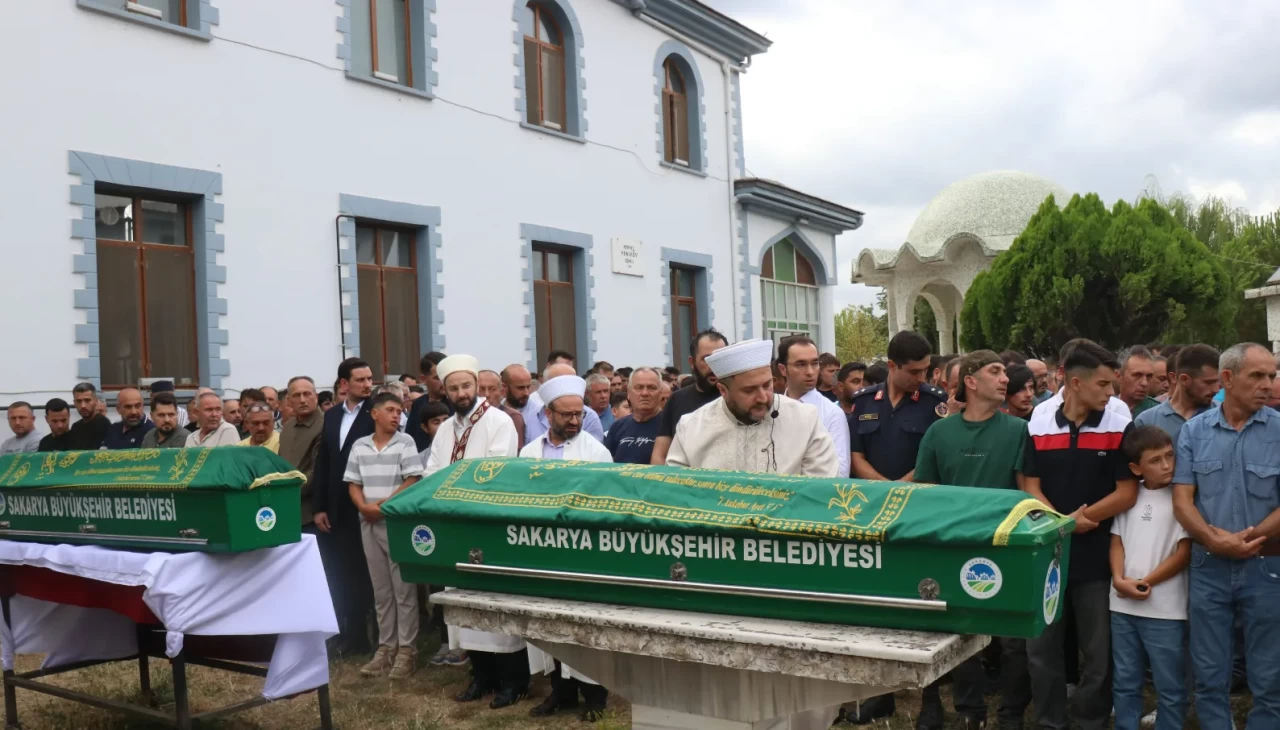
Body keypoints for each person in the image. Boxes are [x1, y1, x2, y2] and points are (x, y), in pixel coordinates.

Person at [913, 350, 1032, 730]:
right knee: (962, 632)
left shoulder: (1018, 430)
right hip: (955, 547)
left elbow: (1026, 490)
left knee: (1013, 638)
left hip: (1006, 546)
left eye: (1005, 372)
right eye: (995, 371)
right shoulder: (939, 433)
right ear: (970, 381)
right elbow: (925, 492)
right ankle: (970, 713)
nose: (1005, 379)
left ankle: (1011, 715)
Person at [1023, 339, 1137, 730]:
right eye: (1103, 384)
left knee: (1098, 651)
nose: (1110, 392)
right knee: (1042, 648)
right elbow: (1029, 485)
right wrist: (1063, 522)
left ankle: (1091, 720)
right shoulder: (1038, 422)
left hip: (1097, 557)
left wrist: (1080, 519)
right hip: (1046, 557)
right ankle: (1049, 721)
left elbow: (1127, 491)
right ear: (1075, 382)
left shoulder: (1119, 424)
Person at [1173, 342, 1280, 729]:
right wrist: (1213, 540)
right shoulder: (1193, 432)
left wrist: (1246, 539)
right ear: (1228, 379)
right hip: (1209, 567)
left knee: (1270, 675)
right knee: (1209, 673)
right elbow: (1182, 501)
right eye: (1258, 375)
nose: (1268, 384)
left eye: (1271, 375)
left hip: (1266, 566)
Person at [420, 355, 526, 709]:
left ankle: (513, 681)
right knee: (464, 600)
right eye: (453, 388)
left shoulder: (499, 422)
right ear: (445, 391)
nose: (461, 393)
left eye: (466, 386)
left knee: (496, 602)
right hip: (454, 524)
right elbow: (432, 471)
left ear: (476, 386)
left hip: (488, 523)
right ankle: (481, 676)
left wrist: (453, 486)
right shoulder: (446, 429)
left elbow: (494, 470)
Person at [519, 374, 613, 721]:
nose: (575, 421)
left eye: (579, 414)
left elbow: (605, 501)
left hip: (583, 551)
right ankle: (561, 692)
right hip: (542, 549)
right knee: (548, 619)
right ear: (548, 414)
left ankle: (595, 696)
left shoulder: (595, 451)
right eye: (567, 414)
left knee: (585, 623)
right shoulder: (529, 452)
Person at [1111, 426, 1191, 730]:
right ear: (1136, 468)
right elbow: (1117, 541)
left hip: (1166, 609)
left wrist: (1145, 583)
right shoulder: (1128, 495)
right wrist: (1119, 579)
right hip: (1121, 605)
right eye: (1156, 460)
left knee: (1169, 683)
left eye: (1170, 456)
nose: (1167, 465)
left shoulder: (1182, 498)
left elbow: (1183, 553)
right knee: (1125, 679)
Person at [667, 339, 837, 476]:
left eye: (767, 385)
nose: (763, 397)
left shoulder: (806, 420)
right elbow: (677, 492)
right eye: (749, 390)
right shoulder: (691, 428)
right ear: (723, 391)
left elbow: (820, 490)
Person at [343, 391, 424, 680]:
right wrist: (364, 507)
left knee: (403, 589)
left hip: (395, 523)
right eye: (390, 410)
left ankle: (407, 650)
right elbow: (353, 482)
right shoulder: (360, 445)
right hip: (368, 521)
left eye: (399, 411)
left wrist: (385, 505)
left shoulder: (406, 442)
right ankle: (386, 648)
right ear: (374, 413)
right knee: (381, 590)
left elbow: (413, 478)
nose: (396, 415)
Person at [313, 358, 378, 658]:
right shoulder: (332, 415)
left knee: (363, 574)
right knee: (340, 573)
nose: (367, 384)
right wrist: (319, 506)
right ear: (344, 384)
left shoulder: (376, 411)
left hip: (365, 504)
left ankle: (366, 637)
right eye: (360, 380)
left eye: (369, 379)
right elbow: (324, 462)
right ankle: (347, 634)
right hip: (335, 509)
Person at [850, 331, 947, 482]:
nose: (921, 378)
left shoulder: (934, 401)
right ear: (892, 366)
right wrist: (885, 487)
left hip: (918, 492)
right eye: (914, 372)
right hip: (872, 492)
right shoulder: (864, 401)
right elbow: (855, 456)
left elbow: (936, 456)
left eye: (925, 370)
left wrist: (900, 487)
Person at [651, 329, 729, 464]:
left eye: (720, 358)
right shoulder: (677, 399)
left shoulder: (738, 399)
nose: (714, 366)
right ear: (692, 362)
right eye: (707, 359)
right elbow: (660, 454)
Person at [778, 336, 850, 477]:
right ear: (783, 369)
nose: (810, 372)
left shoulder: (832, 413)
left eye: (815, 363)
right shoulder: (773, 409)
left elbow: (841, 471)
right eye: (801, 364)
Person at [1135, 343, 1219, 443]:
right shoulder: (1147, 421)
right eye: (1208, 383)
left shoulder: (1225, 417)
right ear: (1184, 379)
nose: (1216, 389)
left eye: (1218, 382)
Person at [280, 376, 324, 529]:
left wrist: (288, 493)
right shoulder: (287, 427)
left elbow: (317, 470)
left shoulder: (326, 424)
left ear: (316, 397)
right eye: (297, 395)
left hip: (312, 513)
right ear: (288, 400)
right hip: (286, 507)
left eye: (307, 394)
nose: (303, 400)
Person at [525, 364, 605, 444]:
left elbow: (594, 449)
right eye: (561, 383)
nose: (574, 421)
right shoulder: (532, 416)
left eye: (572, 382)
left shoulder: (589, 417)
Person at [603, 367, 663, 465]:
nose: (645, 393)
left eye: (652, 388)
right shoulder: (617, 426)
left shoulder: (671, 426)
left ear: (660, 393)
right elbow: (608, 464)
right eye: (639, 388)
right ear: (629, 393)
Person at [404, 351, 450, 451]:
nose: (444, 381)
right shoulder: (418, 404)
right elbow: (410, 437)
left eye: (446, 376)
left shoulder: (457, 404)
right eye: (438, 377)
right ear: (423, 379)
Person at [477, 370, 526, 451]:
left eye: (492, 389)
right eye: (481, 389)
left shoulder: (512, 416)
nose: (486, 395)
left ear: (502, 392)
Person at [1117, 346, 1158, 416]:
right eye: (1137, 375)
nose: (1144, 383)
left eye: (1149, 376)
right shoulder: (1105, 408)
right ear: (1119, 376)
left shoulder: (1158, 414)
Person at [67, 382, 109, 450]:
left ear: (95, 401)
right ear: (74, 403)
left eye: (87, 400)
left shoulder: (104, 425)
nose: (83, 405)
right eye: (79, 401)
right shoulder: (76, 427)